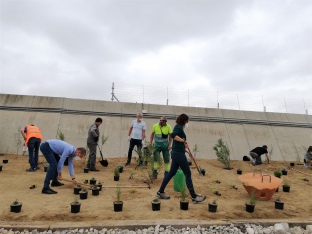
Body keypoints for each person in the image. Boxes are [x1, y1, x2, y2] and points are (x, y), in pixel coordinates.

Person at [156, 113, 206, 204]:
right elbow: (173, 136)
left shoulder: (180, 128)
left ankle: (160, 191)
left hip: (177, 153)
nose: (188, 123)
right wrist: (183, 140)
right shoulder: (178, 127)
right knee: (188, 173)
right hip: (178, 154)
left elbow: (178, 141)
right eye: (187, 121)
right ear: (184, 120)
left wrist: (186, 149)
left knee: (171, 173)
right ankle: (194, 196)